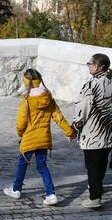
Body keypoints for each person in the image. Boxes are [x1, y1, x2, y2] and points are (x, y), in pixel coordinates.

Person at [5, 68, 75, 205]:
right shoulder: (49, 99)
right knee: (42, 166)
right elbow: (59, 118)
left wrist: (21, 134)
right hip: (44, 139)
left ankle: (16, 190)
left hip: (29, 138)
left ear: (26, 82)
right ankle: (51, 194)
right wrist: (70, 132)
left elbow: (21, 123)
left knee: (22, 164)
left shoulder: (26, 101)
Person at [72, 53, 112, 209]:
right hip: (110, 131)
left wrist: (75, 127)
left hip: (93, 132)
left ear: (99, 66)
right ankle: (96, 187)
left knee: (92, 164)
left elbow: (82, 109)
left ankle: (95, 197)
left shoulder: (91, 85)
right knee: (102, 161)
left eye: (90, 64)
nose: (88, 66)